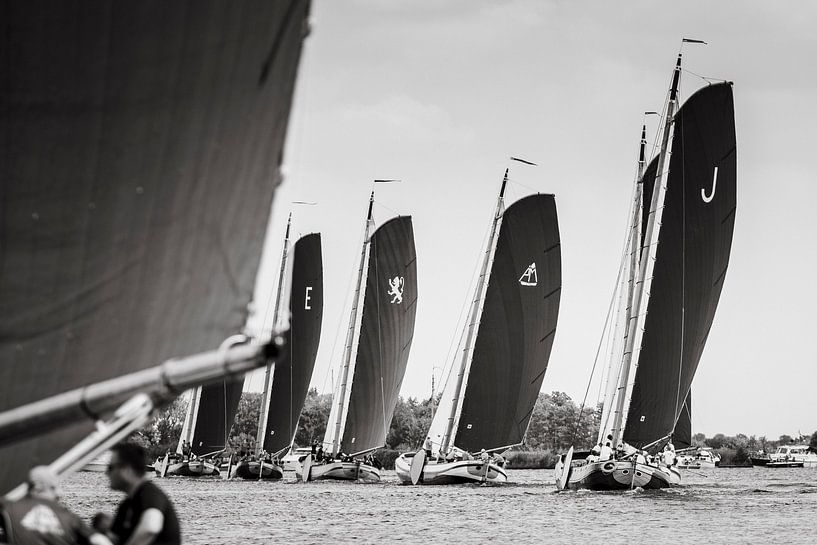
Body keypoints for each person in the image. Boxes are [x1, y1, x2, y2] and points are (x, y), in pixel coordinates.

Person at [0, 466, 112, 545]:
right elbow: (98, 540)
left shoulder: (9, 508)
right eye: (54, 488)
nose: (59, 493)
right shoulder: (67, 516)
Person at [102, 442, 180, 545]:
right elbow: (112, 538)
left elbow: (150, 528)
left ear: (127, 470)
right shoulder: (126, 506)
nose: (106, 473)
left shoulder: (150, 494)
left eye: (110, 468)